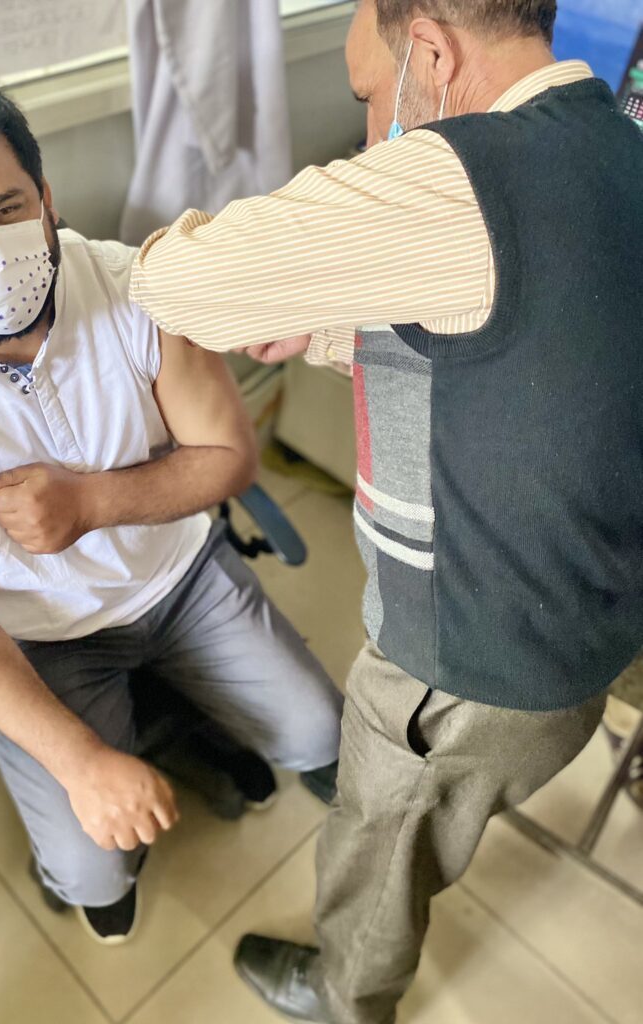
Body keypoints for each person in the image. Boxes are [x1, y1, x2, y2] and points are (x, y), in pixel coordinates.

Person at [129, 0, 643, 1019]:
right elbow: (526, 344)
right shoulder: (614, 145)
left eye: (371, 93)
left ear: (433, 52)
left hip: (465, 668)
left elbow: (182, 286)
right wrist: (332, 323)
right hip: (592, 618)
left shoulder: (456, 175)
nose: (374, 129)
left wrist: (146, 260)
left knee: (380, 840)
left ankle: (345, 993)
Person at [0, 74, 342, 947]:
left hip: (176, 577)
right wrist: (83, 762)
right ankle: (86, 853)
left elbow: (229, 457)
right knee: (91, 869)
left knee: (320, 730)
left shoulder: (136, 283)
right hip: (37, 635)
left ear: (45, 196)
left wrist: (90, 502)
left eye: (7, 209)